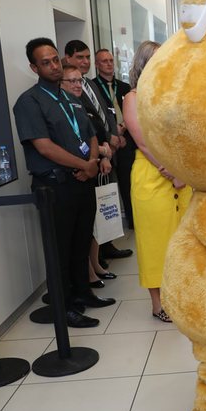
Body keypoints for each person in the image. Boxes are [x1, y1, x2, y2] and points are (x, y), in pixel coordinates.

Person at [13, 38, 115, 328]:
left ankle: (84, 293)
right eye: (46, 62)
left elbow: (92, 134)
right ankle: (65, 306)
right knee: (60, 250)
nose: (54, 65)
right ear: (34, 67)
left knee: (81, 242)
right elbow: (44, 147)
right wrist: (85, 164)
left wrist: (92, 163)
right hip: (55, 187)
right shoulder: (29, 102)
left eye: (55, 59)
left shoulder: (71, 97)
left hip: (83, 183)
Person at [124, 41, 192, 322]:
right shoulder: (133, 97)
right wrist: (170, 171)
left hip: (182, 176)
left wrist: (183, 172)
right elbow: (142, 141)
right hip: (152, 176)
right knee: (155, 241)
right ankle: (158, 304)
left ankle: (183, 298)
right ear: (143, 64)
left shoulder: (173, 93)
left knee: (185, 241)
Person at [65, 40, 133, 262]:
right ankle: (96, 257)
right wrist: (104, 147)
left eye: (86, 57)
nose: (84, 62)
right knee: (97, 206)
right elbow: (88, 124)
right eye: (80, 58)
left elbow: (104, 114)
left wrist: (115, 136)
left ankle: (107, 245)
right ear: (68, 59)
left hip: (110, 148)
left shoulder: (89, 84)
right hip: (94, 155)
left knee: (108, 201)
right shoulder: (76, 89)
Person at [59, 63, 118, 289]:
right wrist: (94, 159)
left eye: (79, 80)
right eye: (71, 81)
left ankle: (94, 265)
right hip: (77, 174)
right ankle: (88, 274)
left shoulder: (80, 102)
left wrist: (101, 156)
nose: (77, 85)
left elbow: (94, 133)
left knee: (92, 225)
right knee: (80, 232)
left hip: (93, 166)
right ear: (60, 83)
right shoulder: (62, 106)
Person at [93, 48, 135, 230]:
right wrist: (111, 137)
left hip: (126, 140)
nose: (109, 64)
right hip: (105, 143)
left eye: (111, 60)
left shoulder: (125, 87)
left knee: (128, 182)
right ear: (97, 65)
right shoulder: (93, 87)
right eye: (104, 61)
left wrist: (122, 131)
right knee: (107, 186)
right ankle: (110, 229)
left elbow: (132, 112)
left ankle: (134, 221)